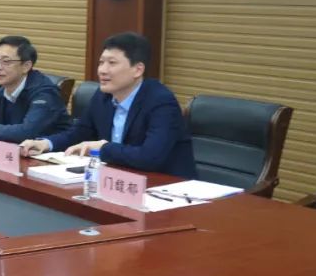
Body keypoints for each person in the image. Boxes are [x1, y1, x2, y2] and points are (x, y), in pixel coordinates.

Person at [19, 32, 196, 178]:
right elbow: (78, 134)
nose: (102, 70)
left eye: (112, 63)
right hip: (117, 180)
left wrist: (103, 148)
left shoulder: (161, 101)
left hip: (166, 188)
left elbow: (150, 157)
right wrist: (46, 143)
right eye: (101, 62)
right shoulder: (103, 96)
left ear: (138, 69)